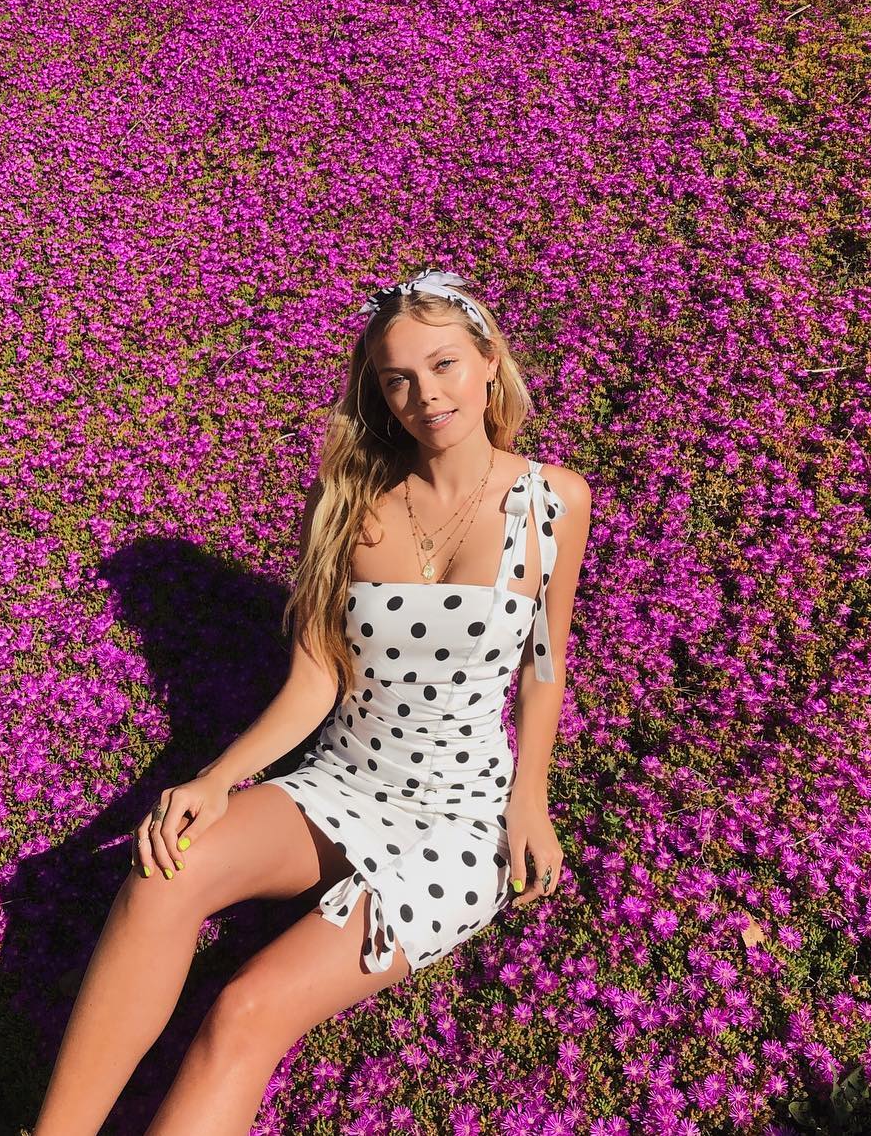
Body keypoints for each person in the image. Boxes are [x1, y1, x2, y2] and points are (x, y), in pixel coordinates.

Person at [31, 268, 592, 1136]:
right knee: (164, 870)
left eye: (444, 365)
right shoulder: (350, 503)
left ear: (489, 361)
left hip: (459, 819)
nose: (425, 396)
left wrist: (530, 802)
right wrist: (216, 779)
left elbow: (543, 666)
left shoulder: (554, 501)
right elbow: (317, 679)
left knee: (246, 1010)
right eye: (397, 378)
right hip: (343, 781)